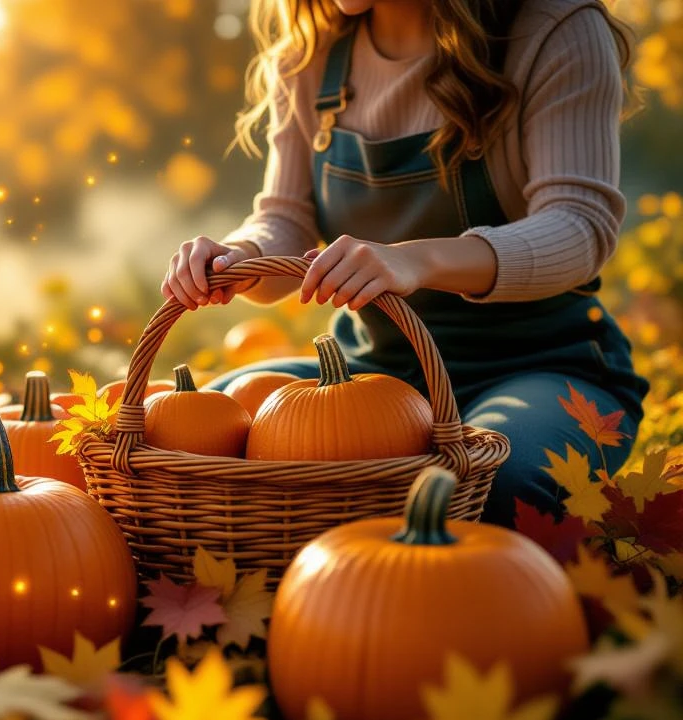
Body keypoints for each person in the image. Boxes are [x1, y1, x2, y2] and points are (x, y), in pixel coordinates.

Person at [162, 0, 649, 527]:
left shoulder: (555, 29)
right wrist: (243, 256)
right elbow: (286, 217)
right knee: (200, 431)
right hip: (377, 374)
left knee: (487, 488)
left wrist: (417, 260)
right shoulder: (314, 52)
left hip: (543, 367)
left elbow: (579, 227)